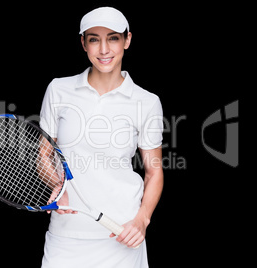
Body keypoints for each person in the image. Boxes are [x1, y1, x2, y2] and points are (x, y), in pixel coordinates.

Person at [40, 7, 164, 268]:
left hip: (122, 235)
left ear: (127, 40)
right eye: (94, 39)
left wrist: (142, 220)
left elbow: (154, 173)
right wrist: (58, 186)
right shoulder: (58, 89)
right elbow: (44, 155)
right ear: (83, 43)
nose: (104, 49)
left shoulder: (147, 102)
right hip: (66, 235)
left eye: (113, 38)